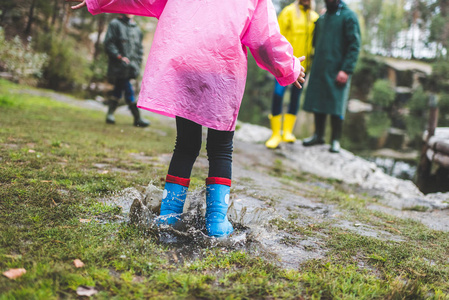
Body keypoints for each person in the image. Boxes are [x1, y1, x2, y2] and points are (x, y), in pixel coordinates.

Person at [69, 0, 306, 238]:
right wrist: (289, 68)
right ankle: (216, 221)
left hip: (185, 61)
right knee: (221, 147)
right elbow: (264, 39)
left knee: (185, 144)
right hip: (223, 66)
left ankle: (169, 214)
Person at [302, 0, 361, 153]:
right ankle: (318, 136)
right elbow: (314, 42)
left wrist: (346, 70)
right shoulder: (322, 18)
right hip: (320, 67)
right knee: (318, 101)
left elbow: (354, 45)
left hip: (338, 69)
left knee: (336, 105)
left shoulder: (349, 17)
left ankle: (335, 140)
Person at [265, 0, 319, 149]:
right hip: (285, 64)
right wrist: (279, 61)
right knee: (278, 94)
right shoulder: (288, 12)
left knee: (296, 96)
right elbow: (277, 37)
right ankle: (275, 134)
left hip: (303, 66)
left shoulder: (314, 18)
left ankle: (287, 132)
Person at [104, 14, 150, 127]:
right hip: (119, 65)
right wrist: (119, 56)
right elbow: (108, 43)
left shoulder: (137, 29)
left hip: (132, 67)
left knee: (119, 89)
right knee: (127, 88)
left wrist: (137, 63)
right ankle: (137, 117)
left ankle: (110, 114)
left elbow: (139, 49)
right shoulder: (115, 24)